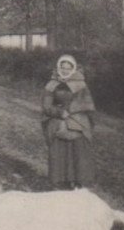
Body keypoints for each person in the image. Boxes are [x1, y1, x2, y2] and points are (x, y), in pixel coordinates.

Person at [41, 54, 96, 189]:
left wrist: (74, 113)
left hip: (77, 119)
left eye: (68, 68)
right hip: (58, 119)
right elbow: (46, 106)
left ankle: (79, 182)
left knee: (78, 149)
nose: (65, 70)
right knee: (59, 149)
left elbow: (87, 105)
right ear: (59, 68)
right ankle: (60, 182)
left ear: (73, 68)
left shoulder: (81, 85)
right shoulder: (51, 85)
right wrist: (59, 113)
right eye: (62, 67)